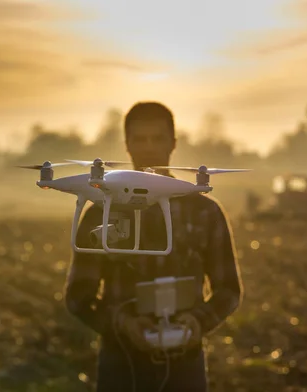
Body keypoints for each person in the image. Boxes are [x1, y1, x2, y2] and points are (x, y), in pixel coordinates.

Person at [64, 101, 243, 392]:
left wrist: (196, 322)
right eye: (140, 139)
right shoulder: (101, 212)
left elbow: (228, 291)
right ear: (127, 145)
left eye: (157, 139)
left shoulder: (205, 211)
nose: (149, 148)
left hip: (184, 364)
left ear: (173, 143)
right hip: (120, 363)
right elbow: (78, 297)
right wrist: (123, 324)